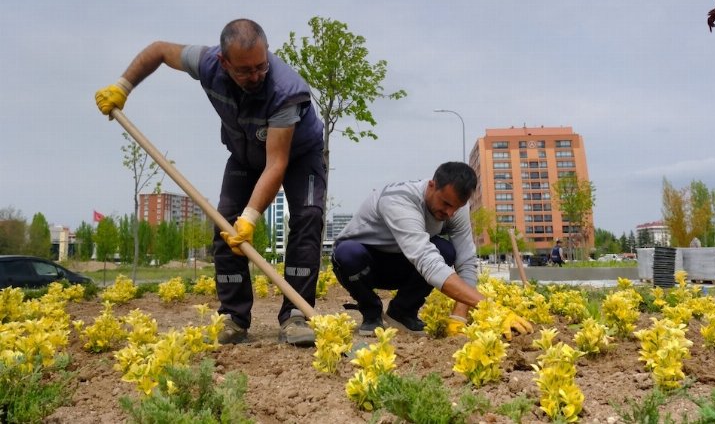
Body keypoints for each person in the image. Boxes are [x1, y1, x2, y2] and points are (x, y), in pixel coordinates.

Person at [95, 19, 325, 347]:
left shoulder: (286, 91)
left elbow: (276, 164)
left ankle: (297, 316)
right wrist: (123, 85)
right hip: (245, 154)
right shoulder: (205, 62)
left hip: (301, 157)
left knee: (308, 218)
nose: (256, 76)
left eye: (261, 66)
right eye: (245, 71)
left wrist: (251, 219)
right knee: (224, 224)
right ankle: (233, 317)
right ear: (224, 62)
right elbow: (159, 50)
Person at [332, 161, 532, 338]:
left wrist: (459, 315)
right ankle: (371, 312)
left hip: (403, 263)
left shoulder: (455, 209)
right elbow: (425, 259)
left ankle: (402, 312)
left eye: (456, 207)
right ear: (431, 185)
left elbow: (466, 261)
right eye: (445, 203)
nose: (449, 213)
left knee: (445, 251)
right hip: (364, 263)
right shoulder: (399, 200)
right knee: (348, 254)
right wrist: (491, 309)